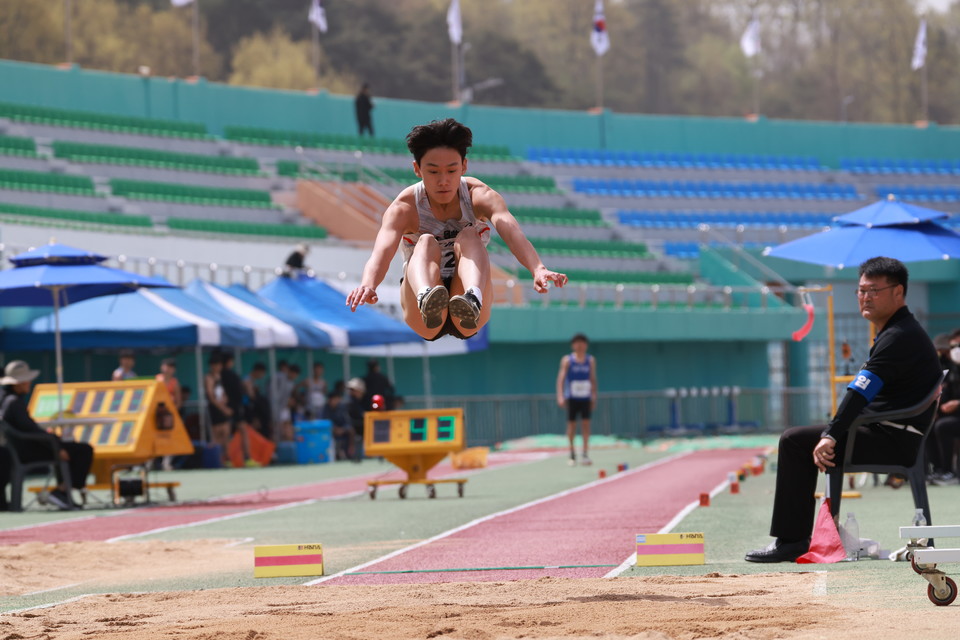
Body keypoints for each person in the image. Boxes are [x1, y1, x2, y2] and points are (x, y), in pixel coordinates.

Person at [745, 257, 942, 563]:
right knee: (803, 437)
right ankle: (795, 538)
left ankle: (792, 541)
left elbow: (859, 393)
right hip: (889, 433)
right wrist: (834, 430)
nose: (865, 297)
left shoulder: (899, 336)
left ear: (899, 292)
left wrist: (831, 435)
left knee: (795, 441)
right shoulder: (897, 332)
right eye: (861, 290)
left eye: (874, 290)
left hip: (894, 441)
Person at [346, 118, 567, 341]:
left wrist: (537, 268)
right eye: (433, 172)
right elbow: (381, 252)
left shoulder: (479, 195)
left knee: (470, 235)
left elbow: (511, 230)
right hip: (422, 310)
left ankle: (472, 298)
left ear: (464, 166)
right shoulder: (405, 207)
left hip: (468, 308)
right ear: (417, 169)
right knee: (425, 242)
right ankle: (427, 297)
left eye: (451, 171)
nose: (443, 181)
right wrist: (368, 285)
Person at [0, 360, 93, 510]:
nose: (29, 383)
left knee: (66, 448)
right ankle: (61, 491)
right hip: (27, 451)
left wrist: (54, 442)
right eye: (26, 380)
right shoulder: (14, 403)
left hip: (18, 449)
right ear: (18, 383)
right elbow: (31, 430)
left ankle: (63, 492)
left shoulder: (5, 400)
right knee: (83, 450)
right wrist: (55, 445)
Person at [556, 333, 597, 466]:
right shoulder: (567, 360)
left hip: (585, 397)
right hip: (572, 397)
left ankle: (585, 453)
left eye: (582, 343)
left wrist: (594, 395)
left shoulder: (590, 360)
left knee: (586, 425)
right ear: (573, 345)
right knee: (572, 425)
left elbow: (592, 378)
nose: (580, 346)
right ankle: (572, 453)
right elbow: (561, 378)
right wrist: (560, 395)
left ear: (586, 345)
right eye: (577, 343)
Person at [926, 329, 960, 485]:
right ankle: (939, 470)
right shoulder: (947, 366)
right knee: (929, 423)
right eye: (952, 347)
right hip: (952, 415)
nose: (954, 350)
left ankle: (948, 471)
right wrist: (937, 410)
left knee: (942, 426)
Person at [204, 352, 232, 466]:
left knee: (226, 433)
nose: (218, 367)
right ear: (212, 365)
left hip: (222, 407)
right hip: (215, 408)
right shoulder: (209, 378)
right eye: (216, 365)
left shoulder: (220, 376)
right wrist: (223, 408)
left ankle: (227, 458)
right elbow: (211, 396)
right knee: (216, 435)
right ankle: (217, 459)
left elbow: (222, 392)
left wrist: (225, 400)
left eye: (220, 365)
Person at [155, 358, 182, 471]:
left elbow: (178, 401)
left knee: (170, 439)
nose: (168, 369)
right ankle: (150, 463)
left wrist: (171, 413)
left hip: (169, 417)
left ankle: (167, 462)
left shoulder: (174, 383)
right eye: (166, 366)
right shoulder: (157, 380)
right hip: (156, 415)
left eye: (171, 367)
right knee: (155, 438)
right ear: (162, 367)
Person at [322, 391, 353, 460]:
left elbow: (347, 421)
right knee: (327, 432)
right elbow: (325, 422)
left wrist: (343, 429)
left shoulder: (342, 407)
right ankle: (335, 454)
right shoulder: (326, 408)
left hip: (342, 429)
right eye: (334, 399)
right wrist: (334, 429)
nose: (336, 401)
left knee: (351, 430)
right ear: (330, 400)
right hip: (331, 430)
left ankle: (351, 451)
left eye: (337, 399)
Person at [344, 377, 367, 462]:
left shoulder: (365, 400)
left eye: (354, 390)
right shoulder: (350, 401)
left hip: (363, 425)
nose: (352, 392)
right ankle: (354, 455)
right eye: (351, 390)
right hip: (354, 426)